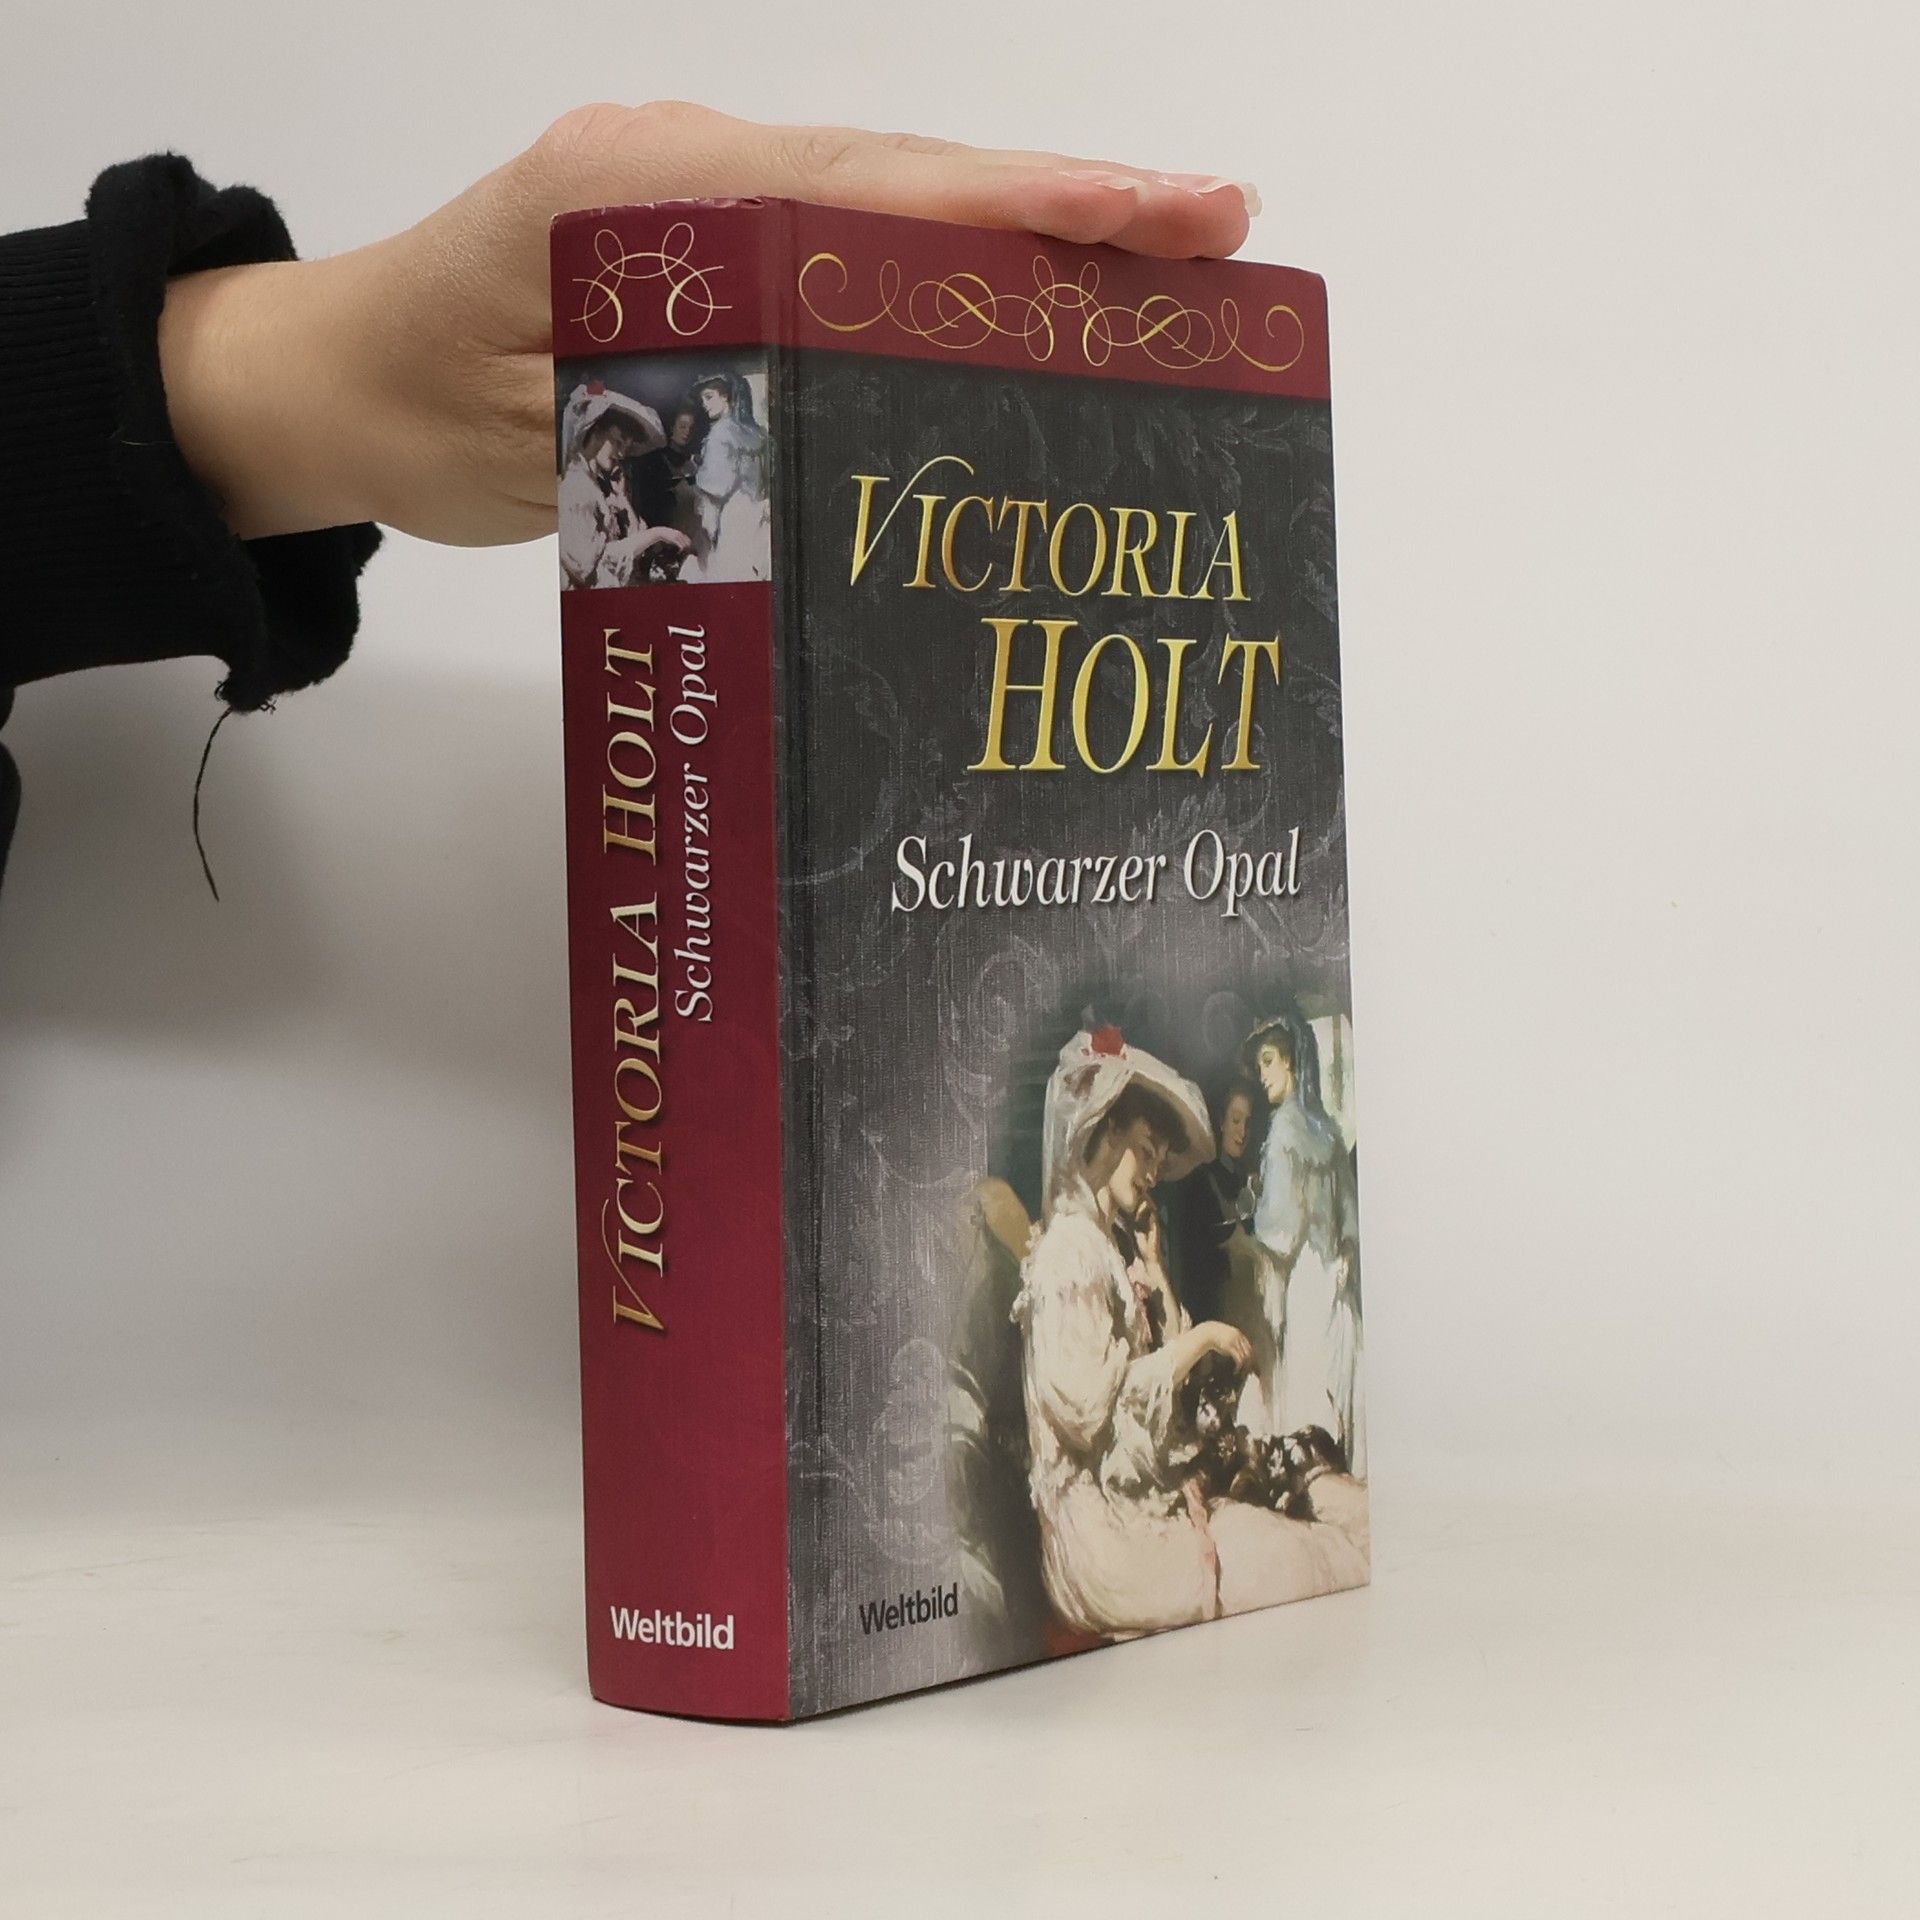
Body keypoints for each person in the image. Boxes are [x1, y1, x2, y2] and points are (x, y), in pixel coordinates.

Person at [0, 104, 1257, 895]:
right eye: (628, 443)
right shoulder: (652, 484)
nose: (622, 456)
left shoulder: (696, 473)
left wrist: (289, 381)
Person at [1011, 1026, 1366, 1638]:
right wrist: (1199, 1340)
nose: (1153, 1173)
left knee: (1324, 1536)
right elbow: (1090, 1411)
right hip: (1101, 1539)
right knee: (1309, 1561)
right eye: (1145, 1151)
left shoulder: (1108, 1248)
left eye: (1159, 1159)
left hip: (1138, 1499)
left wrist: (1155, 1269)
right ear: (1105, 1134)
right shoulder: (1069, 1252)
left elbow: (1166, 1371)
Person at [1244, 1013, 1366, 1478]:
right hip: (1337, 1278)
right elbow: (1350, 1220)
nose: (1263, 1076)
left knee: (1308, 1392)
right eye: (1260, 1065)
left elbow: (1278, 1231)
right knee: (1337, 1396)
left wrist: (1248, 1231)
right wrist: (1343, 1258)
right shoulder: (1329, 1133)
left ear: (1292, 1062)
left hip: (1306, 1280)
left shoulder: (1285, 1130)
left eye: (1268, 1062)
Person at [555, 382, 690, 589]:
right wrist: (657, 533)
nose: (621, 454)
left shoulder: (602, 486)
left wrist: (623, 499)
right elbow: (586, 570)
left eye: (626, 448)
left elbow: (634, 546)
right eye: (617, 442)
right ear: (595, 431)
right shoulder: (576, 489)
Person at [684, 371, 770, 582]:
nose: (705, 405)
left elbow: (716, 486)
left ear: (726, 396)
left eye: (709, 397)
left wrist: (697, 475)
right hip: (757, 514)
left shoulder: (721, 433)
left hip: (734, 515)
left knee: (730, 572)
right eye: (703, 400)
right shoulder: (758, 434)